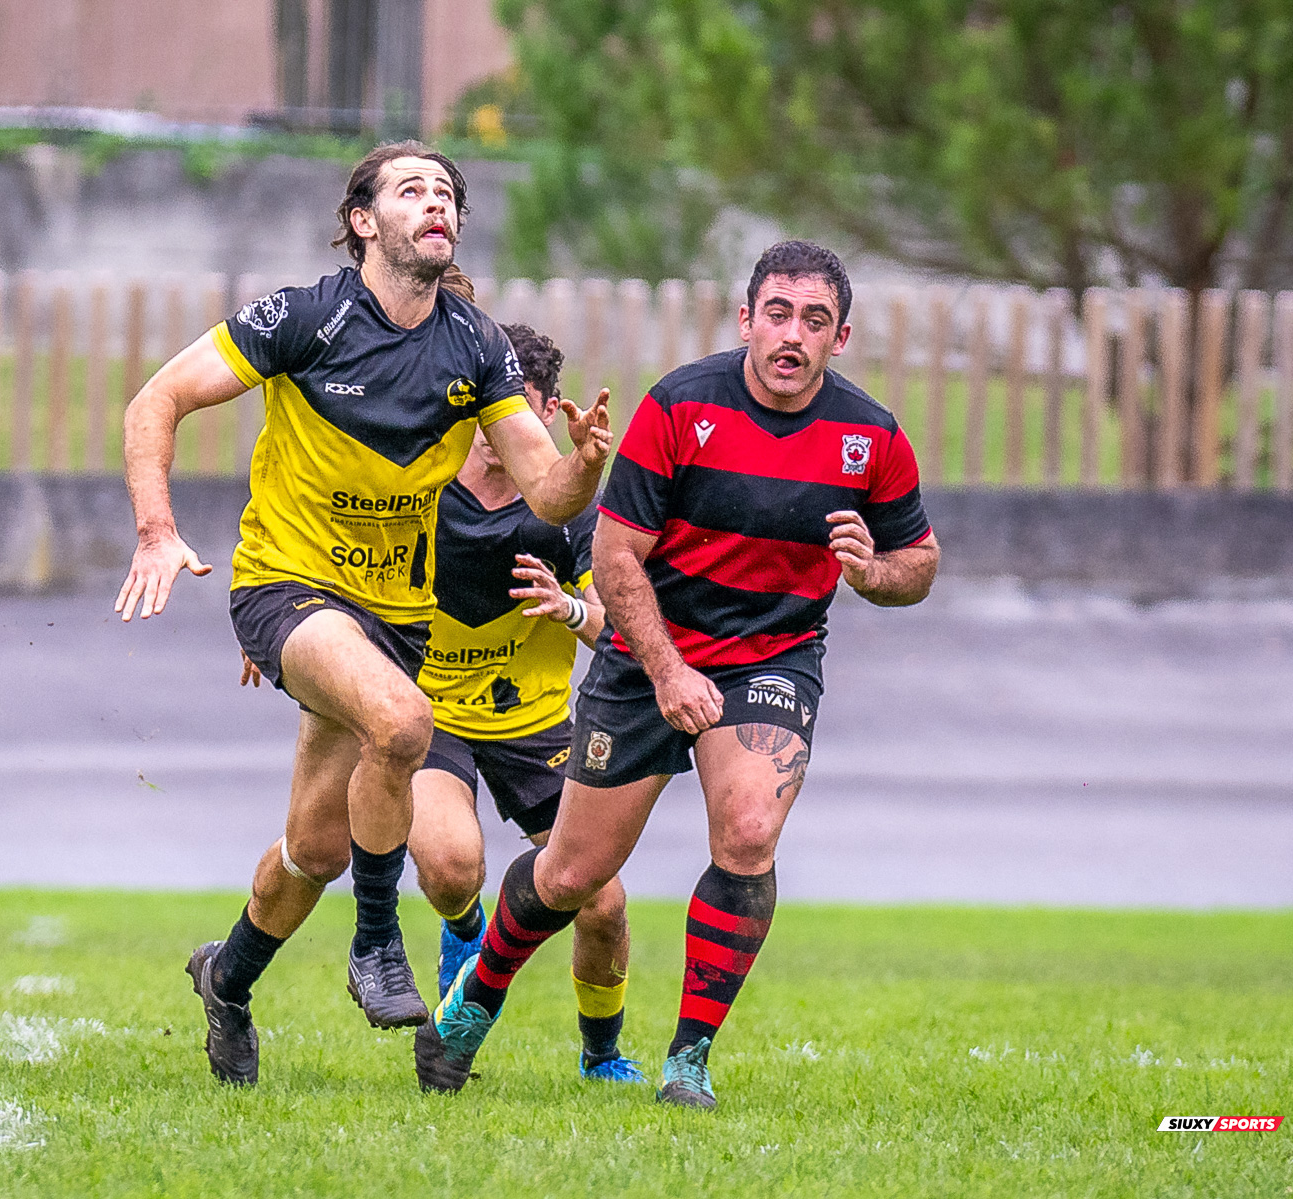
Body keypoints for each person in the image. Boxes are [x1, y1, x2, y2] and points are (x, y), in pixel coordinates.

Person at [115, 140, 610, 1086]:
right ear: (362, 221)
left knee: (312, 847)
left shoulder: (475, 343)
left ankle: (227, 977)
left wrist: (581, 463)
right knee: (404, 720)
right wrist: (154, 527)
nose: (436, 202)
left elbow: (544, 492)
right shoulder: (306, 318)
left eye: (448, 193)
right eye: (411, 188)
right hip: (286, 587)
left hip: (392, 618)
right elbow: (158, 399)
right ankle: (379, 941)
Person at [417, 241, 940, 1108]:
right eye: (777, 313)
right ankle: (475, 1001)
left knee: (746, 833)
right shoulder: (679, 405)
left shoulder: (872, 436)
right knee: (572, 875)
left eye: (815, 321)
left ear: (840, 337)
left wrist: (872, 570)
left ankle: (687, 1059)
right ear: (746, 318)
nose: (792, 336)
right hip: (647, 652)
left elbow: (917, 561)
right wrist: (665, 670)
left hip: (773, 658)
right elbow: (617, 557)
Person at [406, 321, 641, 1084]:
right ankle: (464, 931)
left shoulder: (570, 510)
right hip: (433, 714)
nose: (487, 430)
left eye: (506, 408)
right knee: (449, 866)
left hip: (536, 723)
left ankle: (601, 1055)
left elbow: (627, 630)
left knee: (602, 904)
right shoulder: (419, 483)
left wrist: (571, 610)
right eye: (477, 408)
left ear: (541, 413)